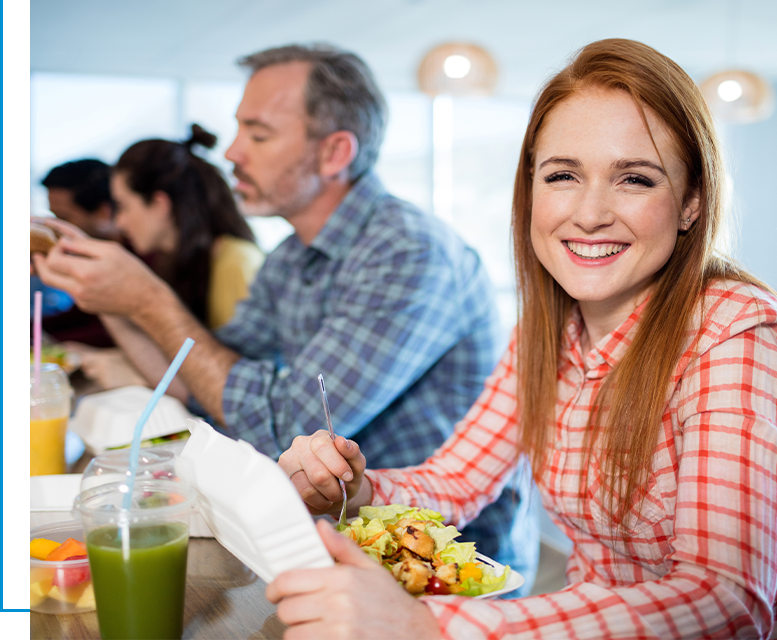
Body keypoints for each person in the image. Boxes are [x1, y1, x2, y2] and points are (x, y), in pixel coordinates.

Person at [272, 38, 777, 640]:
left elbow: (727, 600)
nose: (589, 213)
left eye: (635, 179)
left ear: (691, 202)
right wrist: (354, 486)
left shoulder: (734, 335)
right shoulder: (549, 330)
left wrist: (432, 627)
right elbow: (457, 479)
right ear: (531, 189)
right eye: (563, 175)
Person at [32, 44, 539, 586]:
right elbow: (195, 375)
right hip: (337, 536)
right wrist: (110, 296)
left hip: (439, 563)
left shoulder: (408, 252)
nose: (231, 152)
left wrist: (146, 298)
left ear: (334, 153)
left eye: (258, 133)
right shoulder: (292, 256)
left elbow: (287, 425)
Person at [40, 124, 265, 391]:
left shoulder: (236, 262)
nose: (119, 223)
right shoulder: (173, 261)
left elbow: (236, 384)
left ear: (159, 204)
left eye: (122, 207)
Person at [33, 158, 121, 347]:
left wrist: (47, 342)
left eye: (63, 218)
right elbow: (82, 316)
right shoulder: (88, 257)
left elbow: (111, 333)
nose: (57, 228)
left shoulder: (139, 259)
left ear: (102, 213)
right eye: (53, 217)